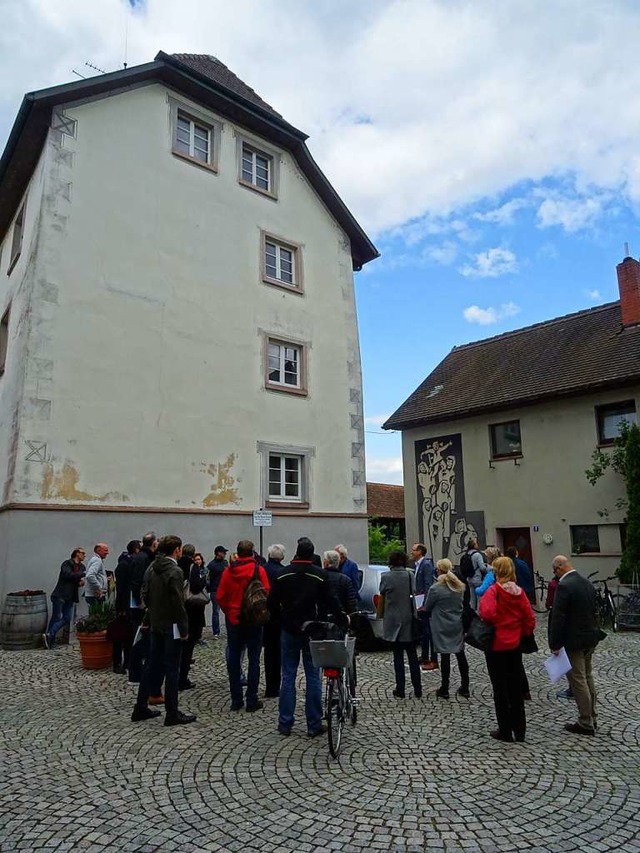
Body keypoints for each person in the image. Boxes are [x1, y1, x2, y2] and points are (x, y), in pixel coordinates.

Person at [269, 538, 343, 736]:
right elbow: (331, 601)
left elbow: (272, 603)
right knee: (313, 676)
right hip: (313, 629)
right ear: (312, 554)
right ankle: (313, 723)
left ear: (296, 552)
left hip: (289, 629)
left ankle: (285, 723)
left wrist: (281, 620)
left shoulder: (282, 574)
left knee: (288, 675)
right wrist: (341, 620)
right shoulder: (319, 575)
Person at [131, 535, 196, 726]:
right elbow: (178, 602)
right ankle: (172, 712)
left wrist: (146, 619)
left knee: (151, 665)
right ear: (176, 550)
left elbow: (147, 596)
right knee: (172, 669)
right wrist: (184, 628)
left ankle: (140, 707)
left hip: (156, 623)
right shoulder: (174, 571)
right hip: (171, 625)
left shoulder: (152, 568)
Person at [479, 556, 536, 742]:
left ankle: (505, 730)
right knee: (515, 687)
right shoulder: (519, 592)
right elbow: (529, 619)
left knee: (500, 688)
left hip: (496, 644)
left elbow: (487, 614)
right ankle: (520, 729)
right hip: (514, 644)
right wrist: (521, 632)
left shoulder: (493, 591)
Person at [549, 555, 603, 736]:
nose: (555, 575)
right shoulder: (586, 582)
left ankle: (585, 721)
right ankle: (593, 716)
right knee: (588, 677)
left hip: (574, 641)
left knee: (578, 680)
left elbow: (558, 617)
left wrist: (554, 643)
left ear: (559, 568)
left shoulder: (564, 586)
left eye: (554, 571)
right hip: (590, 638)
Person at [217, 539, 270, 712]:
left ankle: (236, 699)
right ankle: (252, 699)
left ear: (238, 553)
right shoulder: (258, 570)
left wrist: (229, 611)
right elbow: (266, 592)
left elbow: (220, 597)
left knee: (234, 658)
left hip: (234, 620)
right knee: (254, 659)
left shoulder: (228, 571)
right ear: (252, 552)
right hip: (253, 620)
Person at [378, 550, 422, 700]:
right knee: (413, 657)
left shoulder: (386, 577)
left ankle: (400, 689)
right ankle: (418, 688)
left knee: (398, 658)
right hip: (409, 619)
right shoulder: (410, 575)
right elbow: (414, 591)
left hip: (393, 620)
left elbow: (382, 591)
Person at [424, 559, 469, 699]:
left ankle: (445, 687)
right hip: (457, 623)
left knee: (445, 656)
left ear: (439, 570)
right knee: (460, 654)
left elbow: (428, 606)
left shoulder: (436, 588)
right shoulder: (458, 586)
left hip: (441, 625)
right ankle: (465, 686)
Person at [128, 532, 158, 684]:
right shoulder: (144, 559)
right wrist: (141, 602)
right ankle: (136, 674)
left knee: (141, 638)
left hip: (140, 603)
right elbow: (138, 582)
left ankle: (139, 672)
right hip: (140, 605)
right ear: (153, 544)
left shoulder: (140, 557)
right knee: (140, 638)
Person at [43, 548, 86, 649]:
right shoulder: (67, 564)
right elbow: (68, 575)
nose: (84, 555)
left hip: (70, 597)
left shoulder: (82, 567)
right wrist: (82, 576)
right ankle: (50, 640)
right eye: (83, 553)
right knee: (56, 617)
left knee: (67, 618)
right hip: (60, 595)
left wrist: (80, 582)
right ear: (77, 554)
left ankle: (49, 634)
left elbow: (76, 578)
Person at [111, 540, 140, 673]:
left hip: (129, 604)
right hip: (124, 605)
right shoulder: (124, 565)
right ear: (136, 550)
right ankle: (117, 664)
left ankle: (127, 662)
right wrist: (121, 608)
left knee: (129, 635)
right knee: (120, 636)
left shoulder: (130, 563)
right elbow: (121, 588)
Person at [263, 544, 286, 698]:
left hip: (264, 614)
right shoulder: (282, 572)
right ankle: (275, 686)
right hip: (278, 616)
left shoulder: (262, 569)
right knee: (277, 652)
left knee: (268, 652)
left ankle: (269, 685)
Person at [411, 543, 438, 671]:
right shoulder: (417, 565)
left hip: (424, 603)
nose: (412, 552)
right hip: (419, 600)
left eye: (414, 550)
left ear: (420, 551)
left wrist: (425, 604)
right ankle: (425, 655)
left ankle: (432, 657)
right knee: (424, 631)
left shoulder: (426, 565)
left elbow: (428, 585)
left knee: (428, 631)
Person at [177, 544, 200, 691]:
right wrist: (204, 581)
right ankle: (183, 678)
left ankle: (177, 675)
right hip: (191, 609)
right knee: (188, 647)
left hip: (178, 607)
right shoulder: (193, 567)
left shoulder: (176, 564)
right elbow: (196, 587)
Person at [207, 546, 228, 639]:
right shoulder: (212, 565)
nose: (225, 554)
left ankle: (228, 629)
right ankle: (216, 632)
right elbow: (208, 578)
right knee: (216, 611)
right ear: (218, 553)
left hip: (225, 590)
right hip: (215, 590)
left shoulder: (225, 563)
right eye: (223, 552)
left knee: (227, 611)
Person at [462, 537, 485, 611]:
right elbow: (482, 568)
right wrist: (487, 567)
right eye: (476, 543)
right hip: (477, 577)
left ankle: (471, 612)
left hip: (469, 578)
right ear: (474, 545)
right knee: (479, 597)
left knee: (472, 597)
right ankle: (478, 612)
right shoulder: (477, 555)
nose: (477, 544)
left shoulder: (467, 554)